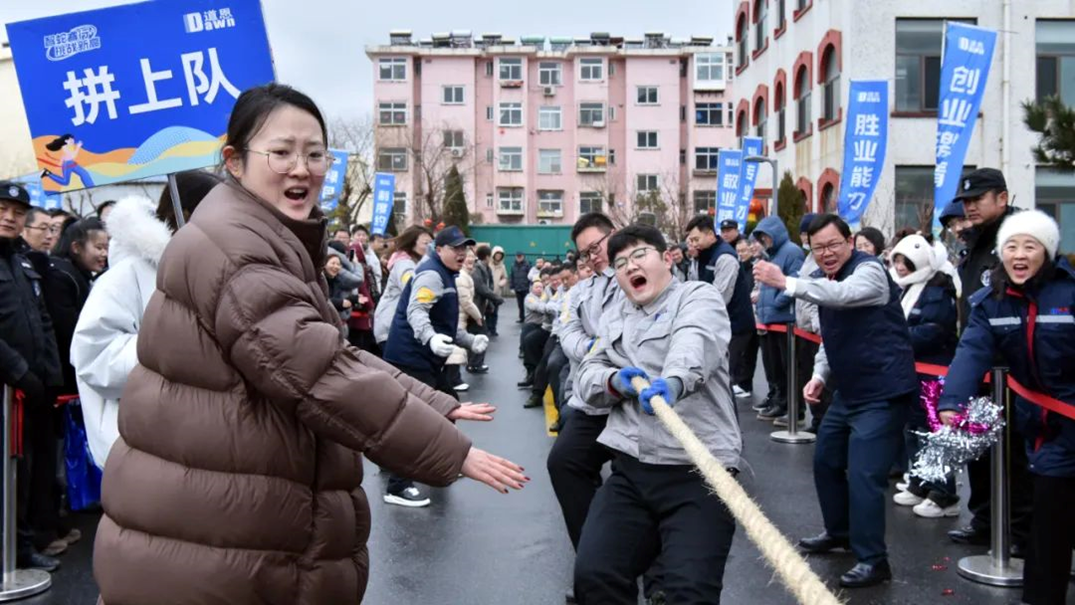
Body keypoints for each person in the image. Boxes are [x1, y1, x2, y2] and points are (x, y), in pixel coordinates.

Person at [92, 84, 525, 603]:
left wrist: (434, 404)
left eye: (315, 154)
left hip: (230, 521)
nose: (301, 169)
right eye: (281, 152)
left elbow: (329, 352)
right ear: (234, 161)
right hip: (216, 539)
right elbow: (318, 374)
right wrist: (447, 451)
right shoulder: (236, 248)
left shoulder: (264, 236)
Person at [574, 224, 741, 604]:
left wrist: (674, 382)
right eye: (620, 264)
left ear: (666, 259)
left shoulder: (697, 296)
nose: (630, 266)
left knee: (688, 591)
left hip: (700, 470)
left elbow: (694, 342)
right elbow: (587, 374)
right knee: (595, 574)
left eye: (639, 255)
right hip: (632, 469)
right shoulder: (614, 318)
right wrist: (613, 381)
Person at [754, 213, 918, 588]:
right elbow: (832, 337)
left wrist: (785, 282)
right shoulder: (822, 280)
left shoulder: (869, 271)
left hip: (883, 391)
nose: (826, 253)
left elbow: (844, 296)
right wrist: (818, 376)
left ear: (850, 241)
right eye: (818, 248)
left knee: (864, 475)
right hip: (848, 392)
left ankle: (873, 560)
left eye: (833, 245)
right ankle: (839, 532)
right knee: (826, 460)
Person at [937, 210, 1073, 605]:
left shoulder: (1069, 294)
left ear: (1046, 252)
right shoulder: (992, 302)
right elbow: (971, 351)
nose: (1020, 254)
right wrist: (953, 400)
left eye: (1030, 246)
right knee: (1049, 516)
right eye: (1011, 246)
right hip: (1045, 429)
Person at [72, 171, 222, 471]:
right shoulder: (125, 276)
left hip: (199, 444)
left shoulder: (211, 272)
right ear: (187, 214)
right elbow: (93, 357)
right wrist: (176, 343)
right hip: (142, 448)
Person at [946, 167, 1032, 551]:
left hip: (1013, 369)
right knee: (978, 447)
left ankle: (1020, 531)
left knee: (1014, 454)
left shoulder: (1019, 236)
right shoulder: (975, 241)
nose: (970, 207)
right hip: (978, 362)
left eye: (977, 199)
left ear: (1002, 197)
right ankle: (984, 519)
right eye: (965, 201)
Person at [0, 182, 63, 573]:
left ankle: (20, 546)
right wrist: (20, 372)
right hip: (8, 386)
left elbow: (42, 320)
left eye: (18, 212)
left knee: (22, 471)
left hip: (29, 391)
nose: (10, 218)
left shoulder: (23, 262)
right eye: (2, 209)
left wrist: (50, 375)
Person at [547, 213, 620, 553]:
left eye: (596, 247)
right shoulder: (581, 290)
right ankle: (593, 553)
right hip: (594, 397)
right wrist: (594, 350)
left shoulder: (641, 277)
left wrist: (601, 347)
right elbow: (568, 332)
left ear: (614, 235)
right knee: (563, 462)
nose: (592, 257)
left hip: (635, 402)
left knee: (633, 481)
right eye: (585, 253)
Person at [887, 233, 961, 518]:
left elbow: (933, 331)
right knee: (913, 429)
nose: (900, 267)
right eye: (897, 261)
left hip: (933, 372)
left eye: (906, 262)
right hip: (911, 371)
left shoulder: (937, 290)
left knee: (934, 433)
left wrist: (896, 337)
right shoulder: (906, 288)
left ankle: (944, 493)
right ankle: (920, 482)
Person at [751, 216, 805, 421]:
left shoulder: (792, 252)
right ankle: (778, 400)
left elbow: (794, 282)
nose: (764, 240)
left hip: (784, 319)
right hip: (769, 319)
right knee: (773, 366)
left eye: (765, 236)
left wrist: (775, 303)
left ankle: (793, 407)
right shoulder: (769, 256)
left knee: (788, 367)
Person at [373, 225, 432, 347]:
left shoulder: (417, 263)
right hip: (391, 328)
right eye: (425, 243)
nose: (430, 247)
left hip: (398, 327)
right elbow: (410, 286)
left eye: (431, 243)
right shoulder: (404, 264)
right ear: (412, 243)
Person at [446, 248, 484, 392]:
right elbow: (466, 301)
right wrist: (478, 316)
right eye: (467, 256)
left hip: (461, 315)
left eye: (472, 257)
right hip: (458, 315)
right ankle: (454, 380)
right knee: (456, 348)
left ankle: (453, 378)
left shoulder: (465, 274)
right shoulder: (461, 276)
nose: (470, 259)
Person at [471, 245, 502, 357]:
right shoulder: (477, 269)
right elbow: (481, 287)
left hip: (482, 305)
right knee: (480, 334)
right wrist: (496, 297)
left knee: (481, 333)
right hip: (476, 305)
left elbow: (489, 285)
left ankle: (476, 362)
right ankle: (475, 362)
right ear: (487, 257)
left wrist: (491, 301)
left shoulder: (486, 268)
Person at [490, 246, 510, 332]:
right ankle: (488, 328)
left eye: (500, 255)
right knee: (487, 311)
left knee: (495, 312)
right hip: (487, 292)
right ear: (493, 255)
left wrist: (501, 283)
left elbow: (505, 277)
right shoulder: (488, 265)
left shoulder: (502, 266)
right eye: (497, 254)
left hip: (497, 293)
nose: (498, 256)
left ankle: (493, 329)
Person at [511, 251, 532, 322]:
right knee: (520, 304)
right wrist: (512, 287)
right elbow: (512, 276)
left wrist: (530, 286)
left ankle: (529, 318)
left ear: (523, 257)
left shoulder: (527, 265)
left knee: (528, 304)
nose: (519, 258)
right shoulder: (513, 265)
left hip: (526, 288)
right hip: (517, 288)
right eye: (518, 256)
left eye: (520, 256)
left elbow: (530, 277)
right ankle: (521, 318)